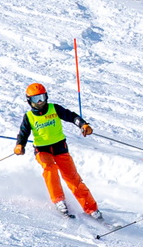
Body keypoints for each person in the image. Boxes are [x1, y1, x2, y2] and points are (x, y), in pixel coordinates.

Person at [13, 82, 102, 219]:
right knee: (50, 168)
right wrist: (20, 145)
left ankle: (91, 208)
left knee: (72, 178)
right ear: (29, 101)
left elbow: (71, 116)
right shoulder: (29, 117)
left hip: (60, 148)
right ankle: (59, 200)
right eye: (36, 99)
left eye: (42, 97)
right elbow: (23, 133)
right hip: (42, 150)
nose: (40, 102)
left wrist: (83, 124)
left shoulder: (54, 109)